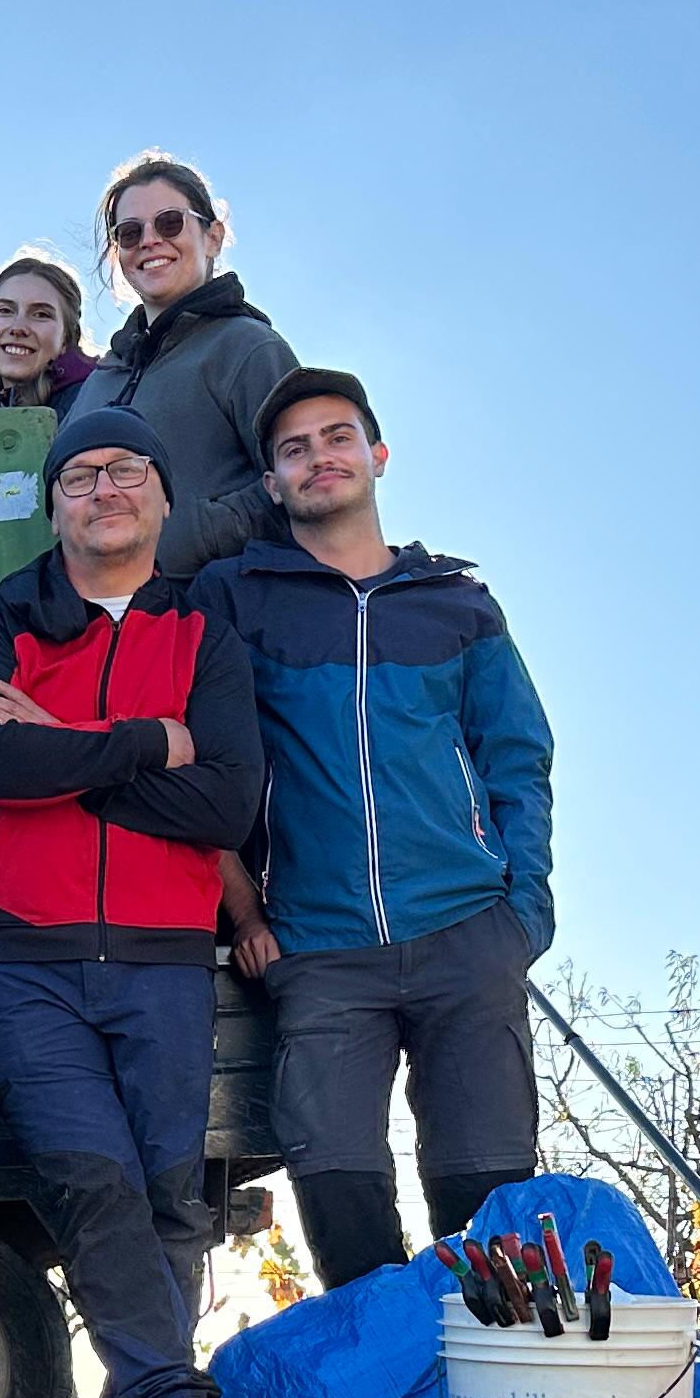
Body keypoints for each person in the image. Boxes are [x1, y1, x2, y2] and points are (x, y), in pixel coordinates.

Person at [0, 405, 264, 1398]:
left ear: (164, 497)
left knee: (172, 1191)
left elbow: (226, 796)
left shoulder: (204, 635)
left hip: (164, 950)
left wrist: (64, 749)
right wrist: (140, 744)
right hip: (21, 953)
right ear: (55, 502)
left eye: (130, 469)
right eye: (81, 475)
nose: (106, 489)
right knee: (90, 1175)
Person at [197, 370, 557, 1290]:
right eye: (295, 448)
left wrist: (524, 911)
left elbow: (517, 752)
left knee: (491, 1214)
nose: (320, 457)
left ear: (377, 456)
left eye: (337, 437)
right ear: (271, 484)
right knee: (340, 1198)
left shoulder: (457, 603)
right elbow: (204, 762)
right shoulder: (238, 600)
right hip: (318, 949)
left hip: (468, 934)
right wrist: (243, 912)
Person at [68, 153, 297, 575]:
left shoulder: (248, 348)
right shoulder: (102, 377)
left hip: (210, 620)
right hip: (104, 624)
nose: (150, 240)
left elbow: (297, 484)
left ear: (212, 237)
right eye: (130, 233)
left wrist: (184, 535)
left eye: (170, 222)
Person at [0, 251, 97, 416]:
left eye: (41, 315)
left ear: (66, 337)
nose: (18, 327)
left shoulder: (91, 407)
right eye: (5, 310)